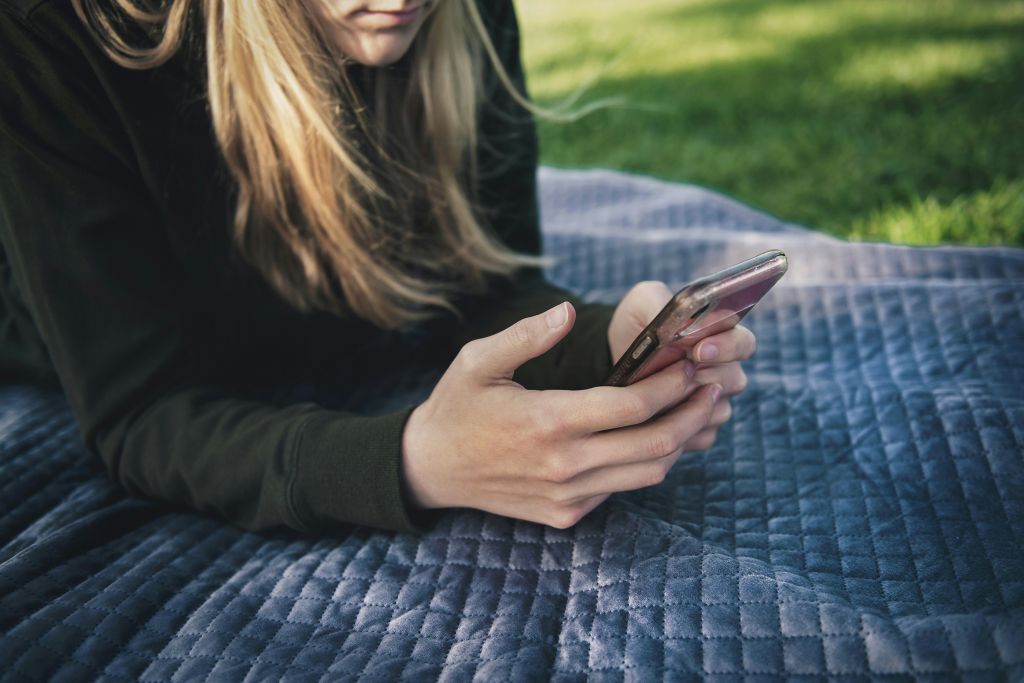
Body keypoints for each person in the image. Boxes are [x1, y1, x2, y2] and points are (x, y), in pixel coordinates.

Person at [0, 0, 754, 534]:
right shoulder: (54, 45)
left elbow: (483, 283)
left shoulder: (460, 17)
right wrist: (414, 462)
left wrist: (607, 345)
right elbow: (143, 412)